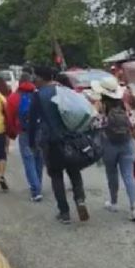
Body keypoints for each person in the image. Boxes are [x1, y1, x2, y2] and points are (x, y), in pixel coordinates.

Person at [29, 67, 89, 224]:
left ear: (42, 78)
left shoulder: (38, 95)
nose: (34, 80)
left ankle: (64, 212)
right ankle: (80, 200)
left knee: (56, 176)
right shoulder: (64, 90)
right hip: (70, 138)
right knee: (74, 171)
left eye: (36, 77)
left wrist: (31, 142)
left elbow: (32, 121)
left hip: (51, 140)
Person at [91, 77, 135, 221]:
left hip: (109, 145)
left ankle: (113, 203)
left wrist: (95, 112)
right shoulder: (125, 106)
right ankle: (134, 208)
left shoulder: (101, 107)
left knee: (112, 173)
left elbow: (94, 125)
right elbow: (133, 127)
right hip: (127, 143)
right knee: (128, 175)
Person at [6, 72, 44, 201]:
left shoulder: (13, 97)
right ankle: (38, 183)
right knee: (39, 157)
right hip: (39, 130)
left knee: (29, 160)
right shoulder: (39, 94)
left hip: (24, 132)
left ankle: (35, 189)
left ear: (19, 83)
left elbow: (10, 117)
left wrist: (12, 132)